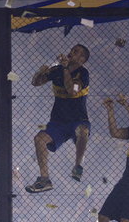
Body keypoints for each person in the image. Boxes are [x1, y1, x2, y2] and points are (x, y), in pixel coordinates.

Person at [25, 44, 91, 193]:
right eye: (71, 50)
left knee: (83, 131)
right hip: (58, 121)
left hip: (78, 119)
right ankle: (44, 179)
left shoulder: (83, 73)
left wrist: (66, 69)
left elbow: (73, 91)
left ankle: (78, 166)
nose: (70, 52)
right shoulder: (57, 70)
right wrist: (41, 72)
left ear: (82, 59)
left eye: (75, 52)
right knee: (39, 139)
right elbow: (36, 82)